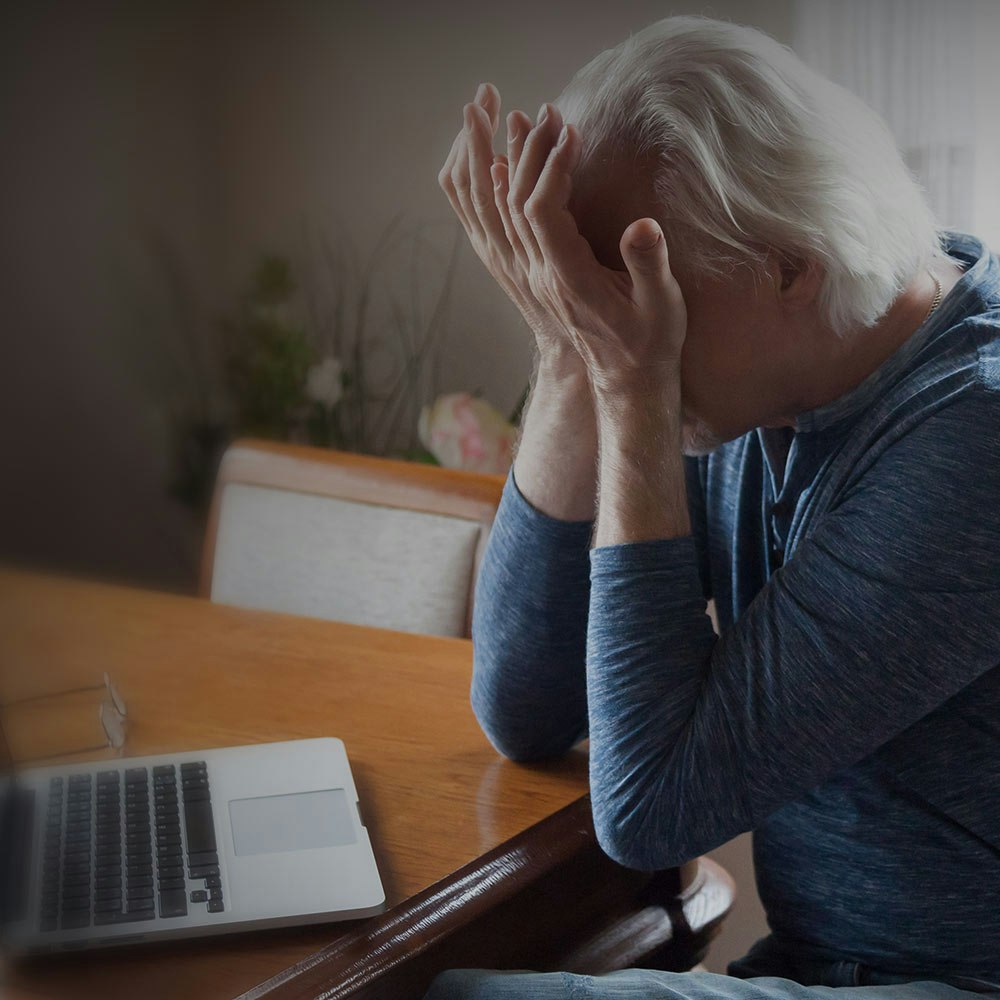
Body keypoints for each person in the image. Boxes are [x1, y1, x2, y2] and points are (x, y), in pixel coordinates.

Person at [431, 14, 1000, 1000]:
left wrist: (629, 385)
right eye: (588, 291)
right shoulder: (752, 383)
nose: (613, 319)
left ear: (787, 265)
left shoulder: (976, 439)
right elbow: (525, 707)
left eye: (636, 286)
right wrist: (570, 358)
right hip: (818, 968)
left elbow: (649, 807)